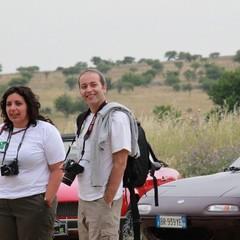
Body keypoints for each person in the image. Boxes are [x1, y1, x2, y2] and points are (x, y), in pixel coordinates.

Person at [75, 69, 139, 240]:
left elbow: (120, 163)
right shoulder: (85, 118)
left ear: (104, 87)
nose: (89, 90)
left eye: (93, 85)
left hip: (102, 199)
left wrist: (107, 199)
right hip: (84, 197)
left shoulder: (116, 117)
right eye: (84, 86)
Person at [0, 85, 66, 240]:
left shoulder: (45, 131)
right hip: (3, 204)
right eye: (8, 104)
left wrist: (47, 199)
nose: (13, 108)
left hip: (33, 201)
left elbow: (58, 168)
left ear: (28, 105)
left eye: (18, 103)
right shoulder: (2, 131)